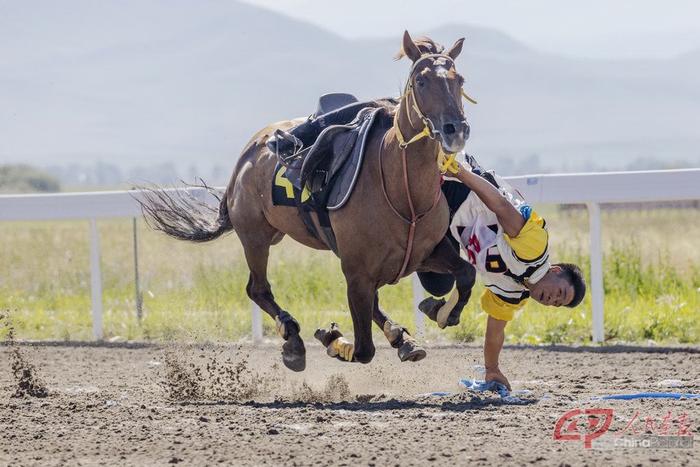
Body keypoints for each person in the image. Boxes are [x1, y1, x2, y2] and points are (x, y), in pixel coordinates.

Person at [417, 157, 586, 390]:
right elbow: (501, 206)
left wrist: (492, 369)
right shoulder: (534, 248)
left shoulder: (512, 295)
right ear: (555, 271)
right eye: (560, 292)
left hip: (450, 227)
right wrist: (460, 172)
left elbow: (495, 332)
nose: (553, 301)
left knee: (438, 284)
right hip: (463, 191)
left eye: (558, 304)